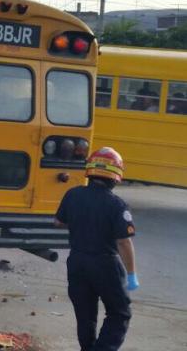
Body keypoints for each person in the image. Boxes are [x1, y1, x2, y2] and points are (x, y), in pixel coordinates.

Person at [56, 147, 139, 351]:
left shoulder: (73, 194)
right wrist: (131, 274)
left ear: (90, 171)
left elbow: (58, 222)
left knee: (85, 315)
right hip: (105, 265)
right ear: (116, 176)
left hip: (76, 262)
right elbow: (124, 242)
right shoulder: (117, 205)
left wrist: (81, 221)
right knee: (120, 313)